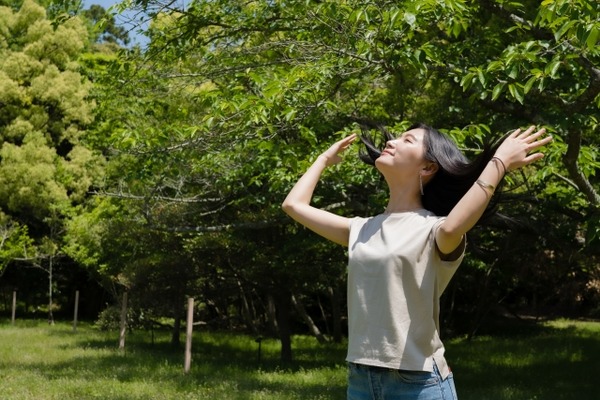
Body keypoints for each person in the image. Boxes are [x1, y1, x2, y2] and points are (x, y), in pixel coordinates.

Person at [281, 123, 552, 400]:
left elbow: (453, 227)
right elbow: (294, 206)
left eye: (407, 140)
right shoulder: (361, 229)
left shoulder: (436, 229)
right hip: (360, 379)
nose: (393, 142)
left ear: (428, 168)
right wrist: (322, 160)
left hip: (418, 382)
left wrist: (500, 163)